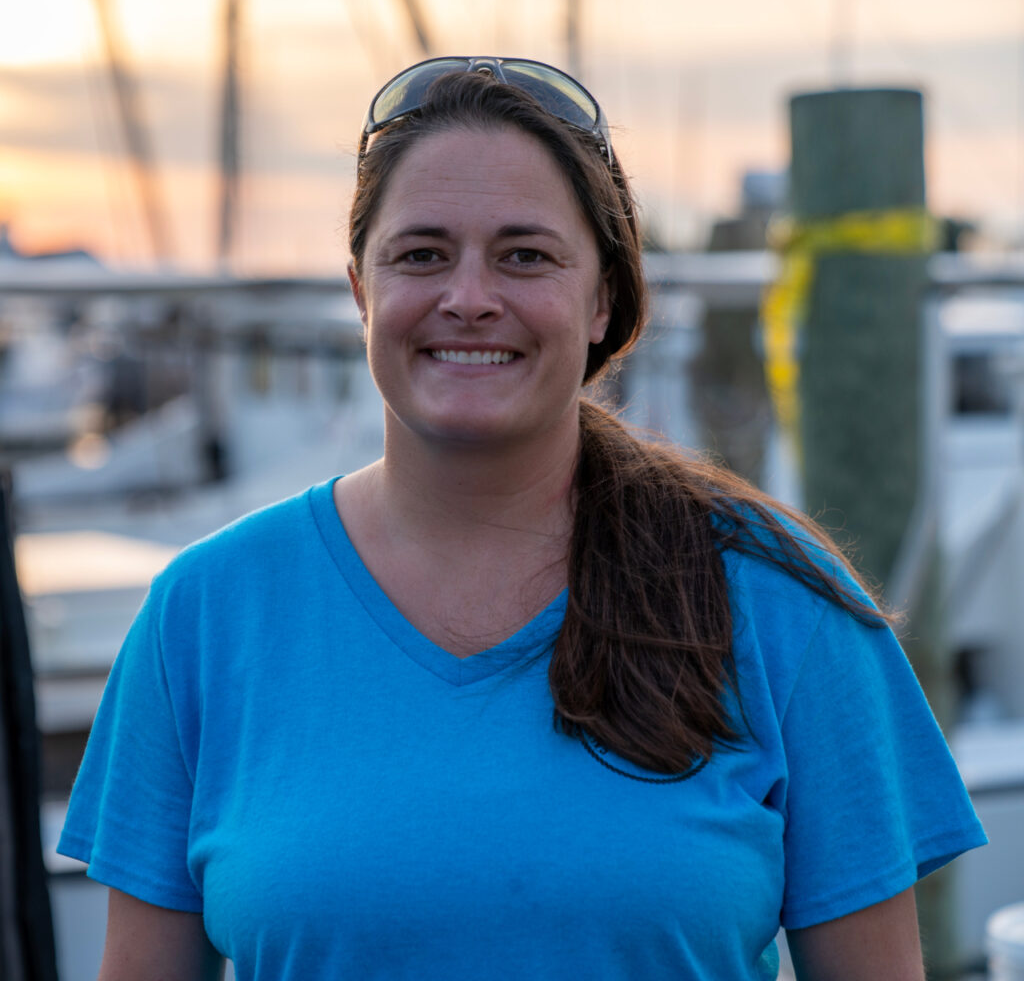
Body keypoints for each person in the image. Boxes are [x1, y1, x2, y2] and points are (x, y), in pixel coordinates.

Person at [59, 56, 985, 981]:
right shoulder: (206, 613)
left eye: (525, 255)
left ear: (603, 300)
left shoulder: (779, 598)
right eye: (421, 254)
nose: (469, 297)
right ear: (359, 291)